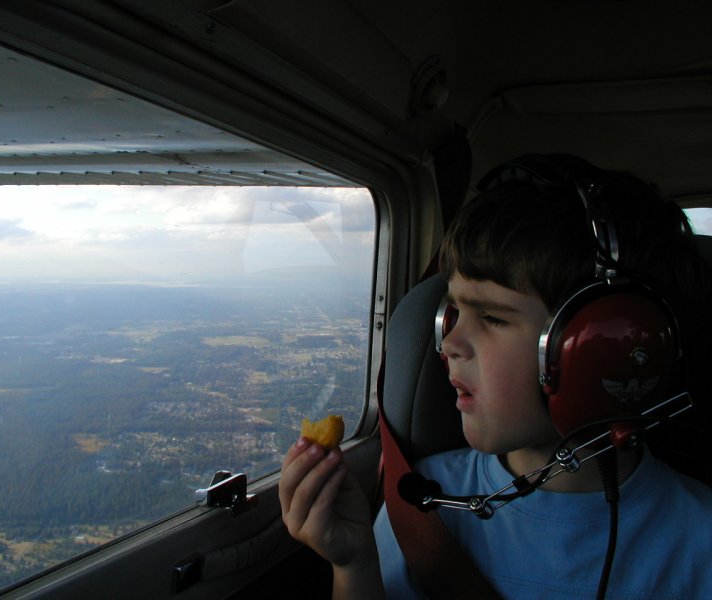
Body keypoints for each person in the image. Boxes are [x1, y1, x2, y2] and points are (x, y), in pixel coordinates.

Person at [279, 154, 712, 599]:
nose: (448, 343)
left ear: (604, 350)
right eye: (453, 311)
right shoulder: (424, 498)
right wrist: (354, 564)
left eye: (492, 317)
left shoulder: (698, 541)